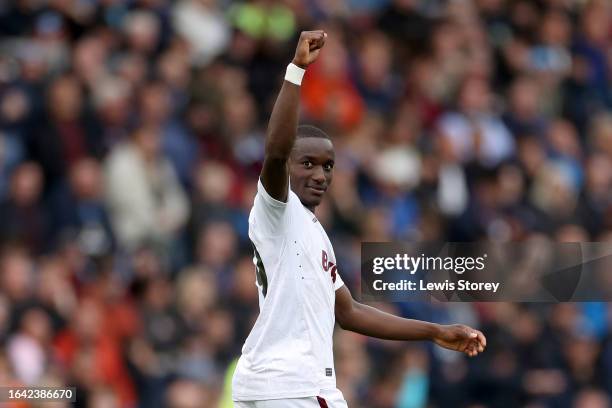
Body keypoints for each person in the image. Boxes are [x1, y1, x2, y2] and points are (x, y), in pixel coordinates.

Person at [232, 31, 487, 408]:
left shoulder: (313, 232)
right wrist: (296, 71)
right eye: (308, 163)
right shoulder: (277, 210)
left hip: (279, 384)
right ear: (287, 167)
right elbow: (274, 151)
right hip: (292, 385)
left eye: (328, 166)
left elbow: (348, 312)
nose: (320, 174)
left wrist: (434, 331)